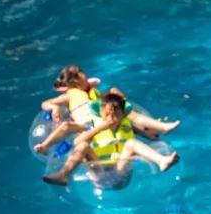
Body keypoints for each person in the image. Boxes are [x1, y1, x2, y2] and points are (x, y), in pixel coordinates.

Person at [35, 68, 178, 157]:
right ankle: (44, 146)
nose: (85, 74)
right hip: (86, 125)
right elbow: (44, 103)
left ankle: (160, 128)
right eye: (81, 73)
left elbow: (109, 102)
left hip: (103, 118)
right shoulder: (69, 96)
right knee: (66, 126)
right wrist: (54, 107)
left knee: (127, 116)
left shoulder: (95, 93)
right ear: (75, 81)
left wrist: (115, 94)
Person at [42, 93, 178, 185]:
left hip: (121, 171)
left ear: (123, 114)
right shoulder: (93, 125)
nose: (111, 118)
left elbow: (143, 132)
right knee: (82, 146)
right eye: (107, 114)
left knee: (132, 142)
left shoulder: (127, 124)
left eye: (115, 114)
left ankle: (162, 160)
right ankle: (63, 175)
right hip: (99, 172)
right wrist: (101, 127)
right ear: (100, 114)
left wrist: (149, 133)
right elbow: (77, 142)